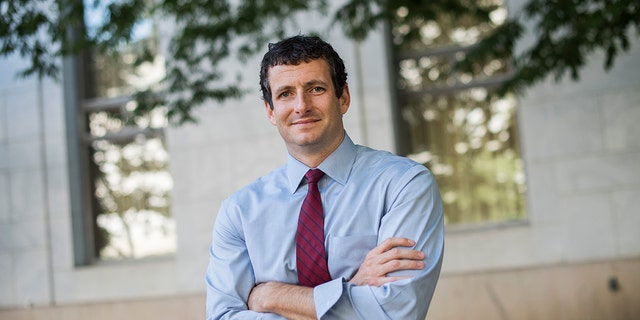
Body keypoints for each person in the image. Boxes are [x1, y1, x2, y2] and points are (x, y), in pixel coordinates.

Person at [205, 35, 444, 319]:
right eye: (285, 94)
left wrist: (269, 296)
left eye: (315, 89)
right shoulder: (239, 213)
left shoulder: (403, 185)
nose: (301, 106)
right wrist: (349, 290)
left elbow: (395, 311)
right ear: (270, 111)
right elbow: (222, 317)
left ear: (343, 98)